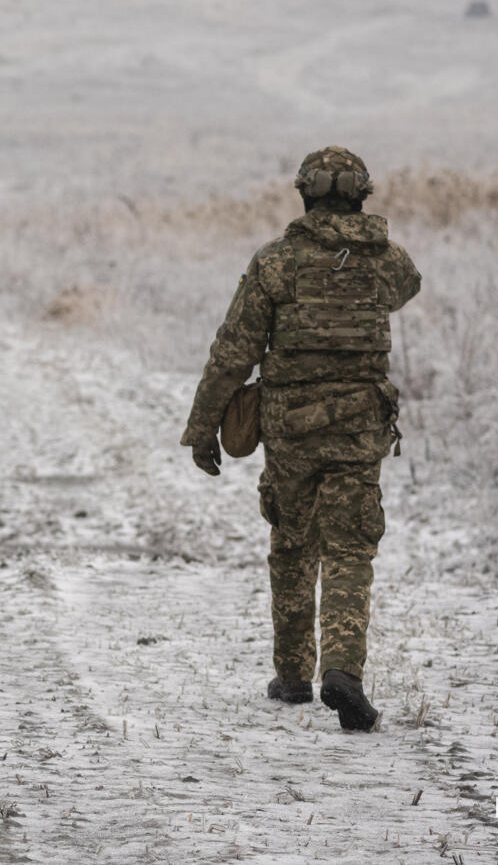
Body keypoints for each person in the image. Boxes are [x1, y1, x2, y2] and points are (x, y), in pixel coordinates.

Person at [180, 146, 421, 731]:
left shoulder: (276, 263)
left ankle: (292, 676)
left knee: (292, 542)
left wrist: (202, 427)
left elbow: (233, 352)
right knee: (349, 547)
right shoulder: (387, 260)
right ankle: (343, 671)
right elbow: (407, 286)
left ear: (304, 194)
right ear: (362, 196)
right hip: (358, 427)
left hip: (290, 428)